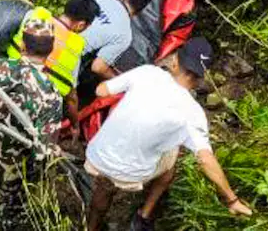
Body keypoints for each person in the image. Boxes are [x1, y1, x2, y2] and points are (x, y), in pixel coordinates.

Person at [85, 38, 252, 231]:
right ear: (201, 77)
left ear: (174, 62)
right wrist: (232, 200)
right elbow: (205, 159)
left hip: (99, 156)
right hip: (131, 174)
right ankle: (144, 216)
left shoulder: (147, 72)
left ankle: (92, 226)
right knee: (173, 149)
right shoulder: (193, 113)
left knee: (105, 185)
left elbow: (101, 91)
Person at [0, 15, 63, 228]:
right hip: (14, 170)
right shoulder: (52, 96)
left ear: (23, 44)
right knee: (1, 218)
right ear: (50, 51)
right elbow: (43, 152)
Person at [6, 0, 98, 126]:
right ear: (81, 25)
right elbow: (71, 97)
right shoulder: (75, 48)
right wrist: (75, 125)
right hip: (31, 109)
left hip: (7, 78)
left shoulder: (35, 15)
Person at [81, 0, 152, 80]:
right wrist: (119, 80)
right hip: (68, 58)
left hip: (56, 35)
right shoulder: (125, 35)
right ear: (139, 12)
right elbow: (98, 67)